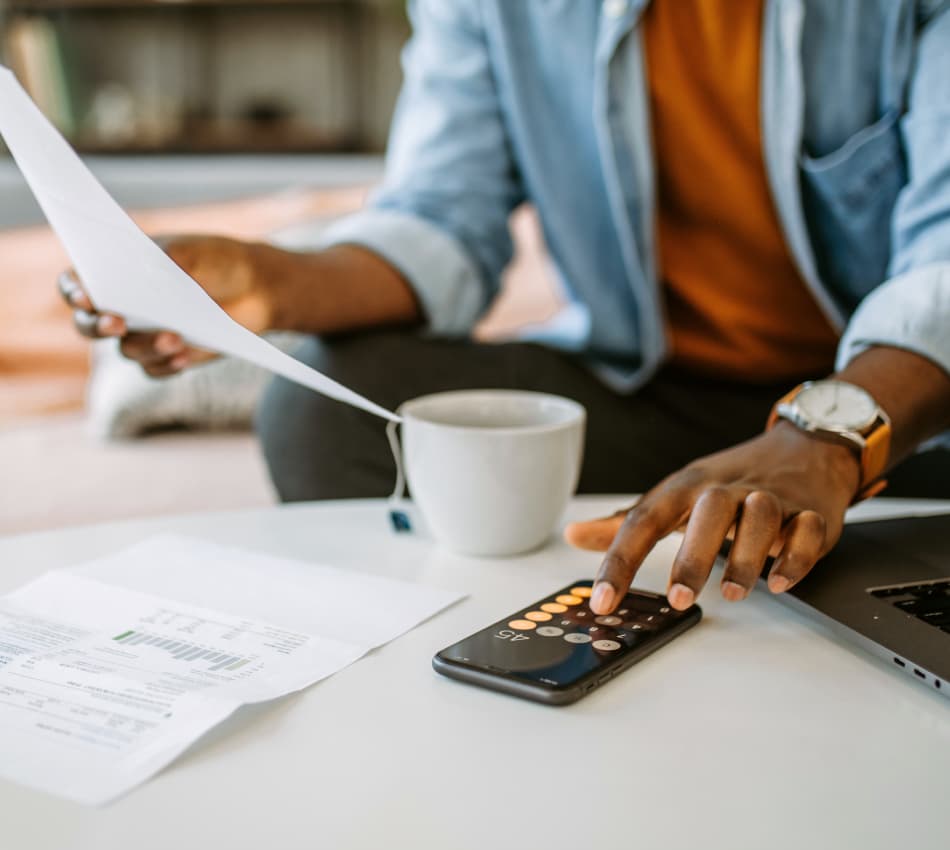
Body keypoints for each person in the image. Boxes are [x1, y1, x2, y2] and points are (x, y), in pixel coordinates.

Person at [60, 1, 950, 617]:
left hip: (898, 420)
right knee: (324, 410)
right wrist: (276, 281)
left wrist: (824, 441)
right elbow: (442, 217)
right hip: (652, 394)